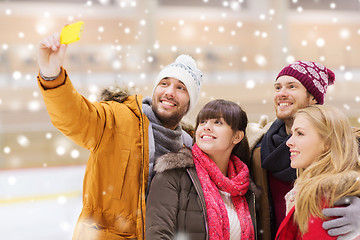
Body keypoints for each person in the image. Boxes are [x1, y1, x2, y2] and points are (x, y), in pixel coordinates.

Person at [37, 31, 202, 240]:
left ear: (190, 103)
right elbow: (74, 117)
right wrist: (51, 75)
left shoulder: (191, 151)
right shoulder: (117, 119)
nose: (169, 92)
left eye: (181, 88)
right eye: (164, 83)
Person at [248, 60, 360, 239]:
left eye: (292, 86)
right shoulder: (258, 146)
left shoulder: (348, 143)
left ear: (313, 97)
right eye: (277, 88)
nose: (282, 93)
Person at [146, 99, 259, 240]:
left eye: (218, 122)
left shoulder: (244, 188)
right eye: (202, 122)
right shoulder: (173, 174)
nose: (207, 127)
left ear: (237, 136)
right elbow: (158, 234)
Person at [275, 105, 360, 239]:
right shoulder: (312, 190)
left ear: (327, 141)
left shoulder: (324, 195)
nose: (289, 142)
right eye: (292, 134)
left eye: (300, 133)